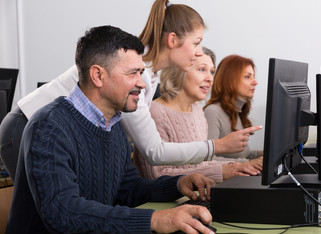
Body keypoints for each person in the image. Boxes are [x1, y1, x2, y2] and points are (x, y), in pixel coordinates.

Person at [0, 0, 261, 182]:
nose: (199, 53)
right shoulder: (138, 73)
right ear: (172, 40)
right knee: (40, 216)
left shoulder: (148, 75)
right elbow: (154, 151)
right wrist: (215, 146)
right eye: (196, 43)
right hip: (24, 124)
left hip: (50, 131)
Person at [5, 25, 216, 234]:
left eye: (141, 73)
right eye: (132, 73)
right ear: (98, 75)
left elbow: (128, 190)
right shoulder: (49, 127)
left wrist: (178, 185)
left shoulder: (113, 126)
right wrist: (155, 220)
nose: (141, 84)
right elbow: (63, 212)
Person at [134, 47, 261, 182]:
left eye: (212, 72)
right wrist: (224, 170)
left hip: (196, 192)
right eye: (202, 69)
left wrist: (236, 166)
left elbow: (204, 164)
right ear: (179, 71)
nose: (210, 79)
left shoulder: (197, 110)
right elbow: (158, 174)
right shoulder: (155, 112)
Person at [203, 55, 263, 168]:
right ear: (229, 80)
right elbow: (207, 159)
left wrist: (265, 155)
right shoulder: (213, 112)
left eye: (253, 76)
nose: (255, 82)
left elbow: (244, 155)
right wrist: (247, 164)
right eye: (247, 77)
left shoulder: (236, 112)